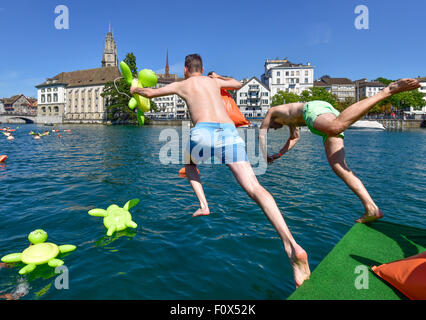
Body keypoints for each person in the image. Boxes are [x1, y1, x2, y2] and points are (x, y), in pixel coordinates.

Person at [130, 54, 310, 287]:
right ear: (202, 68)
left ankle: (204, 205)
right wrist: (218, 77)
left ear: (186, 69)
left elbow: (150, 93)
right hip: (228, 132)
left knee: (190, 164)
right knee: (255, 188)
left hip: (203, 130)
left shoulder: (182, 84)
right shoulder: (214, 81)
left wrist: (135, 89)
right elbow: (237, 83)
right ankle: (291, 245)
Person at [259, 78, 420, 223]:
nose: (272, 129)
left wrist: (263, 155)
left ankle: (387, 91)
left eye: (272, 127)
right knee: (339, 166)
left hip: (313, 110)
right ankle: (371, 208)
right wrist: (278, 155)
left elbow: (261, 133)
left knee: (336, 126)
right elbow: (294, 138)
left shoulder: (272, 111)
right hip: (323, 116)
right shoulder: (289, 121)